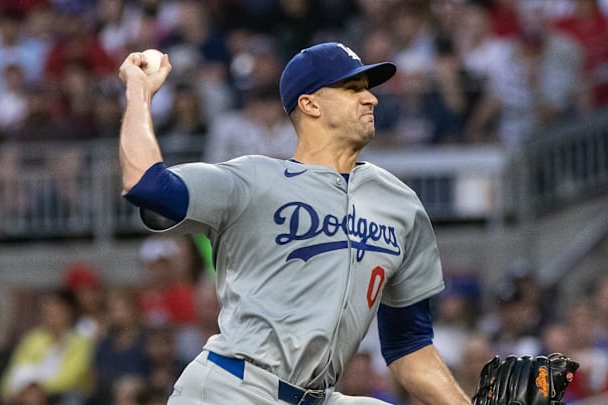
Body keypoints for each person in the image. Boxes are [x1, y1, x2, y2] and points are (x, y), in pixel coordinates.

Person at [117, 42, 471, 404]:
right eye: (352, 88)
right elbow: (146, 184)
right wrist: (139, 90)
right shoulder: (254, 179)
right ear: (310, 104)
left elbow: (409, 345)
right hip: (233, 387)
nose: (371, 99)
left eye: (368, 89)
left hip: (316, 396)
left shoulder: (400, 205)